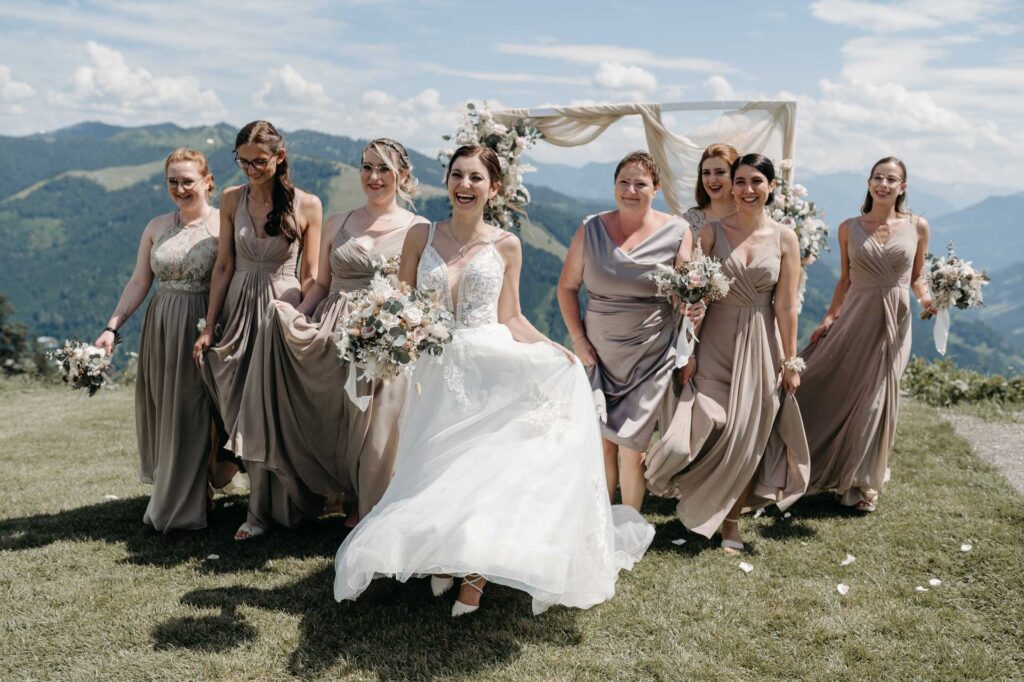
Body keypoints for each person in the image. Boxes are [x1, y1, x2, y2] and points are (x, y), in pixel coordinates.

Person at [334, 145, 653, 617]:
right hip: (433, 373)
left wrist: (554, 349)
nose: (465, 185)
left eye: (476, 178)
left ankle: (475, 577)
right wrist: (383, 332)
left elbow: (512, 316)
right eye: (457, 175)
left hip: (490, 368)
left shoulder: (507, 244)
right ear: (447, 182)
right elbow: (398, 301)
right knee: (435, 467)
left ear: (494, 188)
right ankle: (443, 554)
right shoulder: (421, 235)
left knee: (484, 469)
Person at [232, 138, 427, 529]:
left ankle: (366, 504)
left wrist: (399, 330)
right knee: (333, 418)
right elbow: (321, 283)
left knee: (373, 424)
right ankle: (323, 495)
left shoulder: (418, 229)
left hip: (382, 335)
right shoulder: (339, 221)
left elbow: (415, 292)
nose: (373, 177)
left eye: (384, 169)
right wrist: (295, 315)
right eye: (367, 166)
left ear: (402, 176)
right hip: (333, 325)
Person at [646, 154, 809, 552]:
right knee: (709, 422)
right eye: (740, 181)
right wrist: (690, 351)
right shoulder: (711, 232)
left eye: (756, 181)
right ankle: (684, 484)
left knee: (748, 434)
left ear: (772, 186)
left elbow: (786, 305)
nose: (747, 189)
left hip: (761, 345)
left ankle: (731, 523)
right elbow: (695, 297)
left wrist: (790, 361)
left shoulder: (786, 238)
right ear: (731, 186)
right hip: (714, 340)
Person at [192, 120, 323, 540]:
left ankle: (263, 513)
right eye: (243, 161)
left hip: (281, 312)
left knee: (274, 411)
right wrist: (209, 325)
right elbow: (224, 265)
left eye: (259, 161)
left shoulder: (308, 204)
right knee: (240, 408)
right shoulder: (232, 199)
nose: (249, 169)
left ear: (279, 157)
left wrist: (303, 317)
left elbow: (312, 273)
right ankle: (255, 501)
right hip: (238, 309)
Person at [96, 148, 225, 533]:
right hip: (161, 326)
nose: (180, 188)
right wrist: (112, 327)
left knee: (195, 410)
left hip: (205, 323)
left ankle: (185, 501)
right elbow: (139, 280)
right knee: (168, 410)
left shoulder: (224, 225)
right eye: (173, 181)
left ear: (207, 181)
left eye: (188, 180)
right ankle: (188, 490)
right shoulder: (156, 226)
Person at [557, 151, 693, 511]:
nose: (630, 190)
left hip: (650, 355)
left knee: (633, 448)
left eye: (640, 184)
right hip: (597, 354)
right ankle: (601, 521)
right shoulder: (591, 228)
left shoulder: (678, 231)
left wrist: (695, 302)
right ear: (614, 185)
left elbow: (687, 291)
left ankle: (630, 524)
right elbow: (567, 288)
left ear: (657, 188)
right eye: (623, 182)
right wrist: (579, 340)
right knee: (602, 444)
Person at [798, 157, 934, 512]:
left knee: (877, 400)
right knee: (828, 385)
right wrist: (829, 318)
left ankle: (861, 486)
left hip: (895, 321)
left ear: (903, 187)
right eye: (878, 177)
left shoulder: (918, 226)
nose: (883, 184)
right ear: (869, 182)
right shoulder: (848, 228)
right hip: (856, 315)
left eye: (892, 179)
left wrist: (927, 299)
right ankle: (794, 455)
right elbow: (844, 280)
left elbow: (918, 275)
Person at [682, 143, 739, 233]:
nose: (712, 179)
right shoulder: (689, 222)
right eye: (706, 173)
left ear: (736, 174)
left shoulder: (751, 217)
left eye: (720, 172)